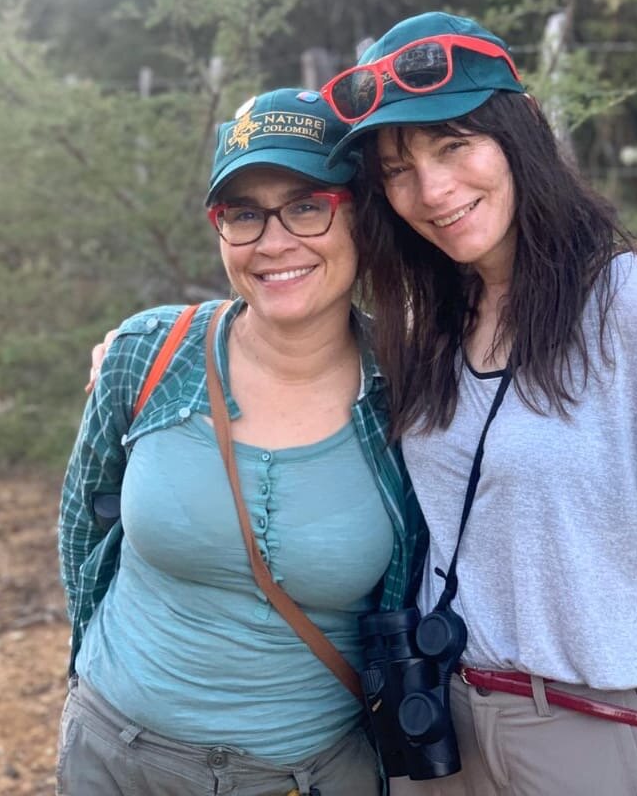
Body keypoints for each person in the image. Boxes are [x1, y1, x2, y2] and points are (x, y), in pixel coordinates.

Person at [317, 11, 637, 796]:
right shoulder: (432, 320)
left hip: (598, 731)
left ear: (519, 136)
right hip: (444, 730)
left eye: (455, 146)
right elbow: (296, 336)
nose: (434, 190)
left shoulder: (635, 307)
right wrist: (171, 341)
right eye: (398, 169)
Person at [58, 87, 426, 796]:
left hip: (312, 774)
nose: (275, 241)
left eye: (307, 205)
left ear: (359, 215)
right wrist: (82, 680)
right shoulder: (149, 354)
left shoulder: (411, 390)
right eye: (244, 214)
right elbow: (83, 524)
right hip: (116, 760)